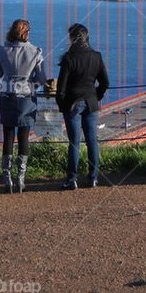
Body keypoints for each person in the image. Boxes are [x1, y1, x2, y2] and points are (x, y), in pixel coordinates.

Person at [0, 19, 46, 193]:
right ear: (26, 33)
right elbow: (41, 79)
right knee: (24, 136)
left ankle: (6, 178)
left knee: (8, 135)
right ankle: (21, 178)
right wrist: (33, 84)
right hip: (26, 98)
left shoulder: (2, 50)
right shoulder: (36, 51)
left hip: (7, 96)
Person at [56, 23, 109, 189]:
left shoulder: (69, 58)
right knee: (92, 140)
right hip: (91, 103)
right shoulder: (97, 56)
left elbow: (61, 89)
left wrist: (63, 106)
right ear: (87, 37)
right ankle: (93, 178)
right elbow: (105, 83)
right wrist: (96, 96)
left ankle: (72, 180)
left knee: (74, 142)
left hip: (73, 104)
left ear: (72, 38)